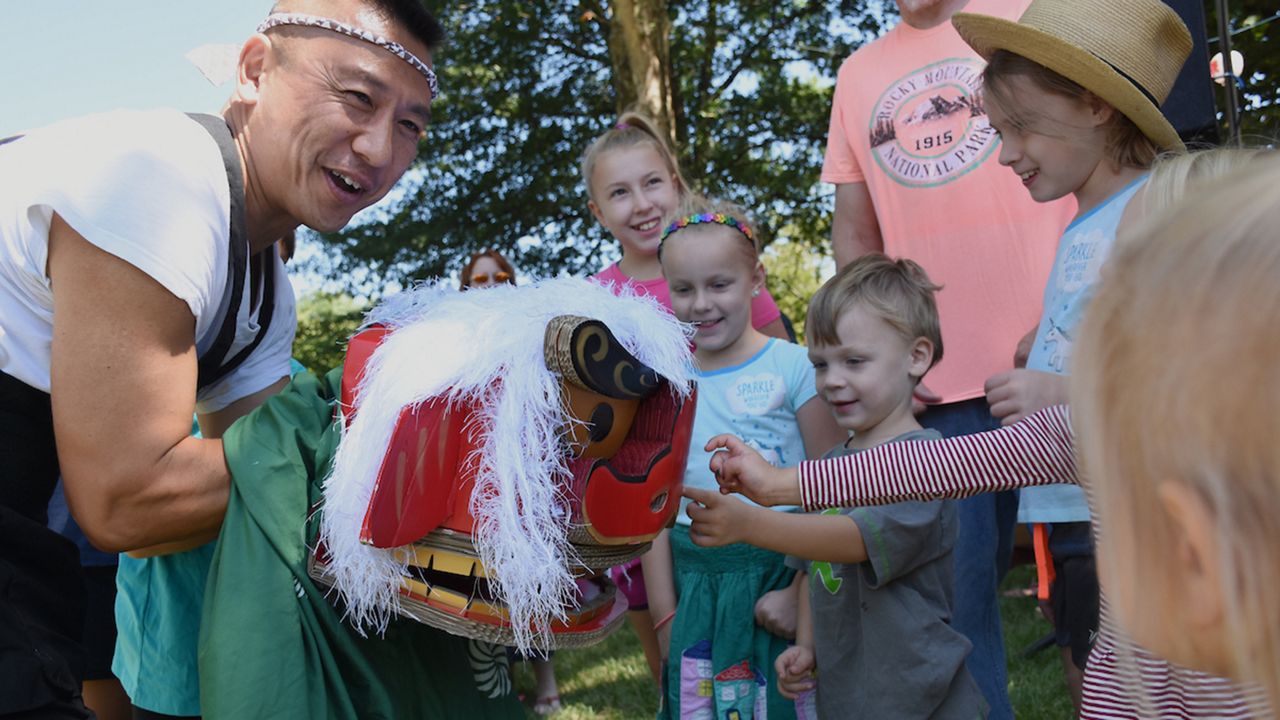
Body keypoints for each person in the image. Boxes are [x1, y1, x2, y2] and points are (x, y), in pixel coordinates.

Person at [706, 149, 1277, 719]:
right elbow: (937, 465)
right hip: (1129, 680)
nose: (1106, 282)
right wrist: (782, 485)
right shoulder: (1096, 421)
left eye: (1130, 268)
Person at [0, 1, 449, 717]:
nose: (378, 147)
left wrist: (475, 554)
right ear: (253, 70)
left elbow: (263, 490)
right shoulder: (157, 179)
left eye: (410, 124)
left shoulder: (266, 290)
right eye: (358, 98)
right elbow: (128, 501)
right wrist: (409, 447)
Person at [819, 2, 1076, 713]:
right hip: (939, 396)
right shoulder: (858, 72)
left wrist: (1063, 318)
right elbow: (854, 228)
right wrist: (889, 360)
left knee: (1103, 592)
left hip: (1064, 370)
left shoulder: (1030, 16)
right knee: (952, 615)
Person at [949, 0, 1189, 709]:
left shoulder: (1159, 208)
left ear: (1095, 105)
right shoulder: (1084, 220)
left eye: (1019, 127)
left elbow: (1190, 373)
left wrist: (1064, 393)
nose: (1005, 153)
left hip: (1149, 515)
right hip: (1075, 505)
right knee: (1094, 676)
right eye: (998, 131)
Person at [685, 255, 986, 719]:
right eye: (821, 364)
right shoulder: (830, 464)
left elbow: (852, 540)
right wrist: (806, 646)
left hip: (920, 695)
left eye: (854, 361)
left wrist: (751, 524)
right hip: (850, 688)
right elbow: (812, 568)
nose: (833, 381)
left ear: (916, 356)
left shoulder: (924, 460)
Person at [581, 112, 798, 684]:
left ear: (675, 183)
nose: (643, 203)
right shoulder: (600, 298)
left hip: (745, 490)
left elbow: (781, 362)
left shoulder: (728, 264)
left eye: (652, 183)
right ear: (598, 214)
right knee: (673, 648)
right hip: (643, 501)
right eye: (620, 193)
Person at [644, 195, 846, 719]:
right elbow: (652, 512)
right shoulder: (665, 385)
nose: (701, 304)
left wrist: (800, 592)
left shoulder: (795, 366)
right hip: (697, 584)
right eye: (683, 289)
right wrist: (666, 617)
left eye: (719, 284)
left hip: (778, 577)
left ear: (755, 278)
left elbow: (835, 486)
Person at [458, 248, 561, 716]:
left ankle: (547, 683)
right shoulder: (456, 335)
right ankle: (503, 683)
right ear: (466, 287)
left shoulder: (531, 328)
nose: (492, 282)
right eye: (480, 279)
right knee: (487, 582)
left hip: (528, 469)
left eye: (500, 275)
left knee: (530, 580)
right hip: (477, 474)